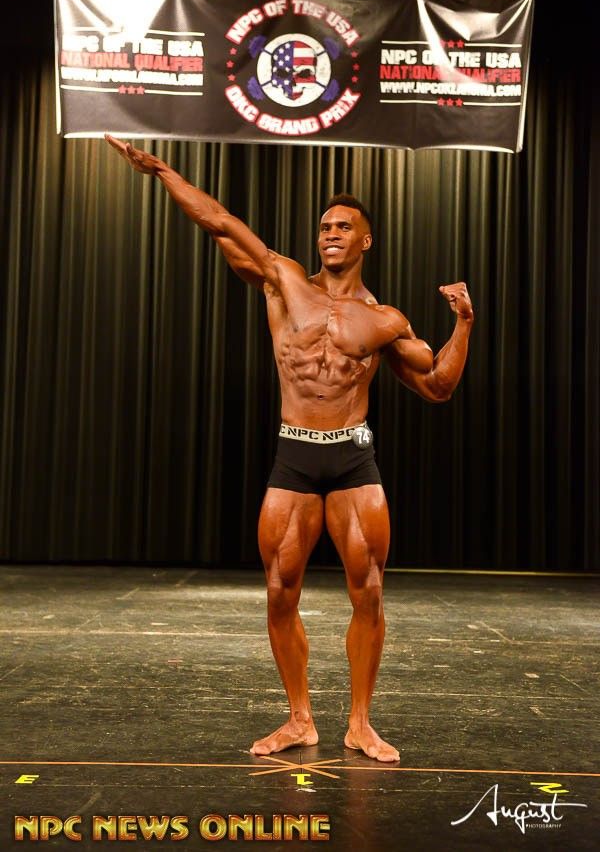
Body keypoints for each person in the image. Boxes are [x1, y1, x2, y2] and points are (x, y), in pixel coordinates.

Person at [105, 134, 474, 763]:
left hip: (353, 458)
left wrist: (464, 323)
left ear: (365, 241)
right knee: (280, 588)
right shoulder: (283, 281)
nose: (330, 234)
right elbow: (219, 220)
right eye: (325, 226)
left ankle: (360, 723)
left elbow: (438, 384)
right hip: (294, 455)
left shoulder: (384, 320)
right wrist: (160, 169)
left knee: (369, 589)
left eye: (343, 227)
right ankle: (300, 718)